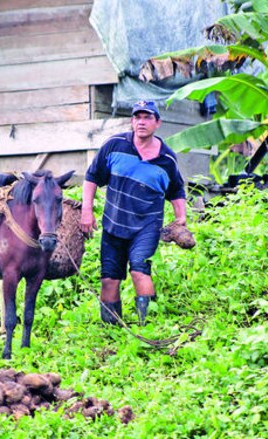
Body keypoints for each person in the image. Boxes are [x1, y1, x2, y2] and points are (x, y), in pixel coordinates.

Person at [80, 100, 187, 326]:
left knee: (139, 269)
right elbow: (91, 177)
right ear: (131, 121)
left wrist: (181, 218)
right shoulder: (114, 145)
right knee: (109, 279)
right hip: (114, 224)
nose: (141, 122)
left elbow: (176, 189)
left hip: (146, 227)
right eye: (137, 117)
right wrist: (86, 212)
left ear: (157, 123)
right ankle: (112, 329)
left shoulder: (166, 160)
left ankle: (147, 326)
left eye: (147, 117)